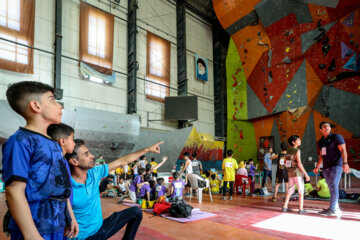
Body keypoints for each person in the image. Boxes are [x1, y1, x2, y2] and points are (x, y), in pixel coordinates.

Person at [2, 81, 76, 240]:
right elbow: (14, 190)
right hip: (35, 227)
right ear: (36, 106)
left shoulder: (53, 145)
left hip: (57, 224)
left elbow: (61, 188)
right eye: (52, 99)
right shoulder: (20, 142)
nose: (60, 106)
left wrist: (69, 217)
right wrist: (31, 235)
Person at [65, 139, 163, 240]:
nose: (92, 156)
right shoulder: (65, 187)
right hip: (84, 238)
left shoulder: (94, 173)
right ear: (74, 161)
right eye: (86, 154)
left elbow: (122, 161)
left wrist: (147, 149)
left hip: (101, 228)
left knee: (136, 212)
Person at [47, 123, 81, 238]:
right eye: (72, 139)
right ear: (63, 141)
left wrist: (70, 217)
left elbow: (65, 195)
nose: (74, 143)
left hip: (62, 216)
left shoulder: (64, 162)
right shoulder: (51, 162)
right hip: (51, 219)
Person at [313, 121, 349, 216]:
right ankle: (335, 208)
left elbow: (343, 150)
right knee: (331, 188)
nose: (327, 127)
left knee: (333, 186)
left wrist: (345, 163)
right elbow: (321, 156)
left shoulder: (337, 137)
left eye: (328, 126)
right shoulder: (321, 142)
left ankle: (333, 209)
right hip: (326, 167)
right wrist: (317, 167)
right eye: (324, 126)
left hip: (336, 165)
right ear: (321, 130)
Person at [282, 135, 310, 214]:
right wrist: (306, 174)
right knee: (301, 190)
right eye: (298, 140)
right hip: (297, 173)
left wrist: (289, 169)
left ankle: (285, 206)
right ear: (293, 142)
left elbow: (284, 163)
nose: (300, 140)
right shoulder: (297, 150)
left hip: (290, 173)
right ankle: (301, 209)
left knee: (290, 190)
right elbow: (299, 163)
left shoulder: (287, 151)